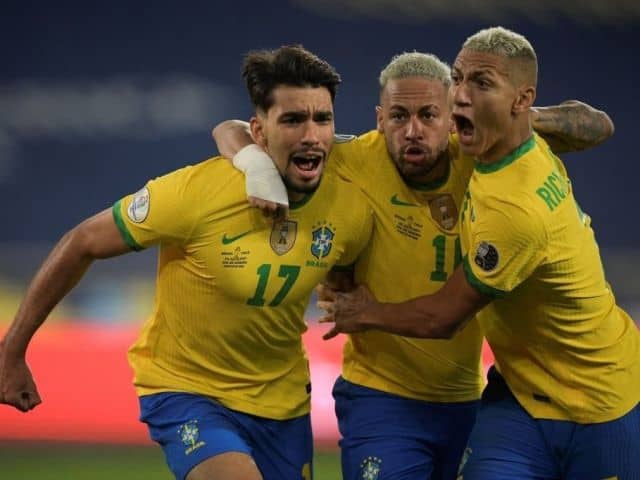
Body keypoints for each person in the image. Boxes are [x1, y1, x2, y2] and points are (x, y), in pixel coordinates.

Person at [212, 50, 615, 479]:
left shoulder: (479, 150)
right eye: (399, 116)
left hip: (466, 398)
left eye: (428, 115)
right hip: (380, 398)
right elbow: (230, 129)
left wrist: (509, 118)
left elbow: (597, 125)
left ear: (453, 116)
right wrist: (256, 165)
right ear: (379, 119)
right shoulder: (351, 159)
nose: (412, 131)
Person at [0, 45, 374, 480]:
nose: (311, 134)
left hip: (283, 401)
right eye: (292, 120)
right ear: (259, 131)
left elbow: (344, 265)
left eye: (322, 119)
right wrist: (13, 350)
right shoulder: (196, 193)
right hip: (189, 391)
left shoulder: (350, 197)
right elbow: (81, 241)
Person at [317, 27, 640, 479]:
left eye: (480, 85)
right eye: (459, 80)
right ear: (379, 118)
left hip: (599, 397)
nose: (461, 96)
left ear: (520, 100)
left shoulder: (511, 207)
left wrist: (365, 313)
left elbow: (442, 317)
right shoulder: (489, 145)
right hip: (515, 394)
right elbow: (595, 124)